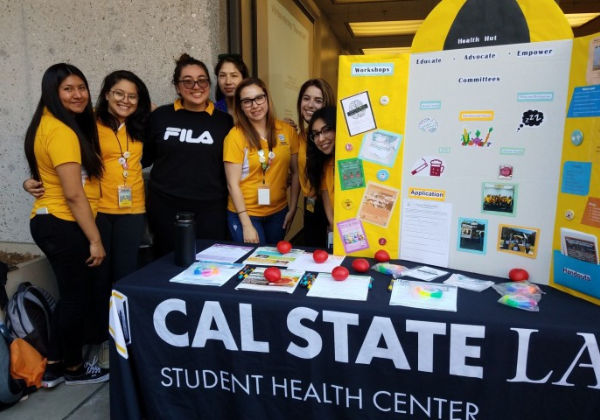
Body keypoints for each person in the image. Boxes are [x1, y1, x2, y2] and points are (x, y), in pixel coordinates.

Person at [24, 70, 152, 370]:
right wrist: (30, 182)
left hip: (132, 212)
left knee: (124, 279)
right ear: (105, 93)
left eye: (132, 95)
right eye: (118, 93)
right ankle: (100, 342)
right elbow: (60, 165)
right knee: (97, 283)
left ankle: (123, 339)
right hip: (98, 213)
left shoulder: (143, 123)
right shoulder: (86, 121)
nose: (125, 100)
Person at [23, 63, 109, 387]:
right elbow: (74, 194)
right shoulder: (61, 131)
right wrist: (95, 239)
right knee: (75, 299)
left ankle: (56, 365)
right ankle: (73, 368)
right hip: (64, 222)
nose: (78, 95)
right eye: (68, 89)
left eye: (81, 87)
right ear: (53, 93)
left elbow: (46, 178)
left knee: (71, 296)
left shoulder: (49, 123)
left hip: (50, 220)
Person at [143, 53, 234, 257]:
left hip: (210, 209)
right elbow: (144, 158)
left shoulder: (224, 122)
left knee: (209, 264)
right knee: (167, 263)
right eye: (188, 81)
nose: (196, 86)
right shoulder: (160, 117)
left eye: (202, 80)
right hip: (165, 207)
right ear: (177, 86)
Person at [224, 77, 300, 244]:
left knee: (272, 261)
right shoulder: (235, 136)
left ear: (267, 98)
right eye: (247, 101)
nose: (255, 105)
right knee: (254, 262)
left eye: (259, 98)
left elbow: (296, 173)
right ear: (241, 107)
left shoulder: (287, 131)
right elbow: (232, 184)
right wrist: (246, 224)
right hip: (246, 213)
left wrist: (293, 208)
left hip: (278, 212)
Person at [294, 79, 335, 248]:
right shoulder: (300, 136)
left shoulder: (333, 140)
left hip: (337, 205)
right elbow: (297, 171)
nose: (310, 105)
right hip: (312, 203)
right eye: (306, 98)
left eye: (318, 100)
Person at [306, 107, 337, 242]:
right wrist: (333, 225)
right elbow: (326, 196)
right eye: (316, 134)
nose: (321, 138)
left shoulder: (354, 162)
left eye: (326, 130)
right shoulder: (325, 164)